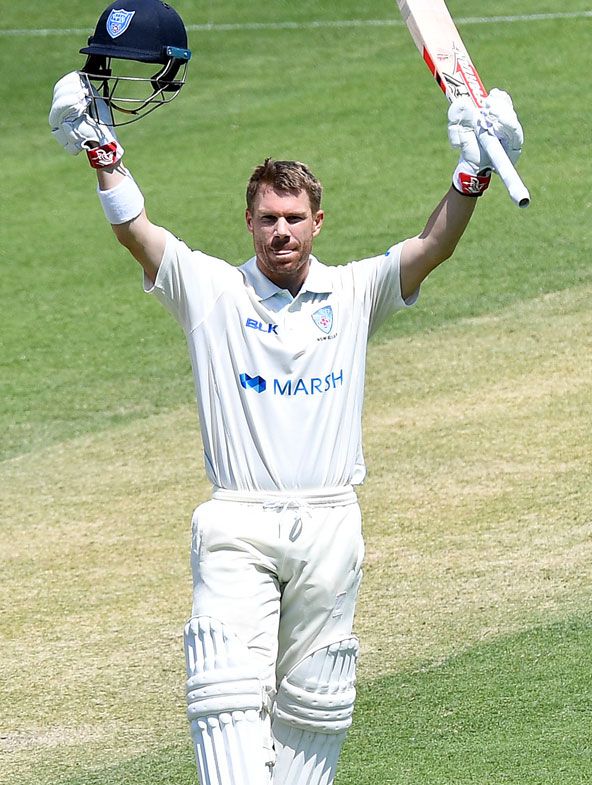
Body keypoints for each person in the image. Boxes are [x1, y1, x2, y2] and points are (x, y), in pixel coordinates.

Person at [48, 3, 525, 782]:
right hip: (238, 521)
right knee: (226, 694)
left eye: (294, 218)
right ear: (248, 221)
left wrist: (470, 173)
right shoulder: (210, 291)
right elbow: (138, 231)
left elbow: (433, 245)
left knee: (317, 703)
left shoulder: (355, 291)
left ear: (317, 222)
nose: (280, 232)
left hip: (332, 519)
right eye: (268, 218)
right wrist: (100, 151)